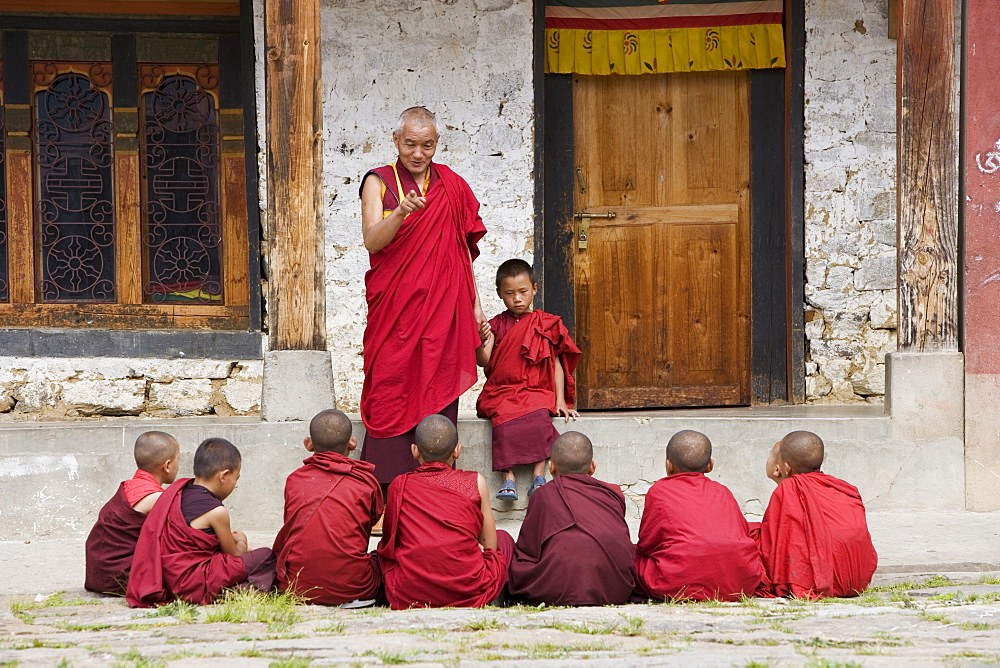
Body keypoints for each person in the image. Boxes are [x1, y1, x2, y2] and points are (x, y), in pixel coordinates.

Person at [359, 106, 488, 504]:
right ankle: (383, 497)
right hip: (396, 311)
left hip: (444, 309)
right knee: (389, 388)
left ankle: (436, 489)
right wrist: (399, 211)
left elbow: (460, 253)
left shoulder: (450, 184)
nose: (418, 152)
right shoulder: (378, 183)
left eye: (427, 145)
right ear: (396, 141)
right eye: (411, 143)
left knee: (439, 383)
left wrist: (476, 306)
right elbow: (372, 241)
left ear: (436, 145)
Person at [376, 414, 514, 609]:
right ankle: (496, 597)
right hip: (468, 587)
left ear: (414, 451)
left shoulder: (399, 485)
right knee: (504, 540)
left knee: (379, 560)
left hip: (411, 591)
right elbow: (489, 545)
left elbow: (390, 543)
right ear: (457, 451)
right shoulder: (475, 482)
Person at [126, 438, 277, 607]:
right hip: (195, 582)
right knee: (266, 556)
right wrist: (241, 540)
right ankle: (238, 592)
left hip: (167, 579)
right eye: (236, 478)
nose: (234, 485)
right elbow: (233, 555)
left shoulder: (176, 493)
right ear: (224, 476)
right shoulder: (216, 511)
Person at [476, 259, 581, 500]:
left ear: (534, 288)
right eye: (510, 293)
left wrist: (561, 400)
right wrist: (479, 339)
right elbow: (484, 360)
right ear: (500, 294)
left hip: (536, 390)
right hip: (502, 390)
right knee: (502, 418)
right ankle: (508, 478)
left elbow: (554, 362)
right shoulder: (495, 326)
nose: (518, 299)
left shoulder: (545, 323)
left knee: (540, 417)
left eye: (523, 292)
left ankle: (539, 475)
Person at [634, 430, 765, 602]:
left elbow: (648, 544)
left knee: (629, 556)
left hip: (678, 582)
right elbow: (740, 532)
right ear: (710, 465)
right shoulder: (722, 491)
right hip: (738, 582)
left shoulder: (659, 491)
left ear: (668, 465)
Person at [507, 431, 635, 606]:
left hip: (554, 591)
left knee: (505, 544)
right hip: (612, 589)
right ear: (592, 467)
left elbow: (528, 549)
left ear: (551, 467)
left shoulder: (542, 495)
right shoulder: (612, 494)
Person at [272, 409, 383, 606]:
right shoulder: (365, 482)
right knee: (383, 560)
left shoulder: (294, 480)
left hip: (297, 585)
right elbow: (371, 521)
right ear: (352, 442)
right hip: (354, 586)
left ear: (309, 444)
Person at [755, 430, 878, 599]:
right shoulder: (844, 488)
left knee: (749, 538)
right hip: (857, 580)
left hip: (821, 582)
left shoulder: (787, 490)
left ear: (784, 467)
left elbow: (773, 545)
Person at [84, 431, 180, 595]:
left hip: (99, 572)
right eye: (179, 459)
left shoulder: (131, 486)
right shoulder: (156, 498)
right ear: (168, 465)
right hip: (119, 577)